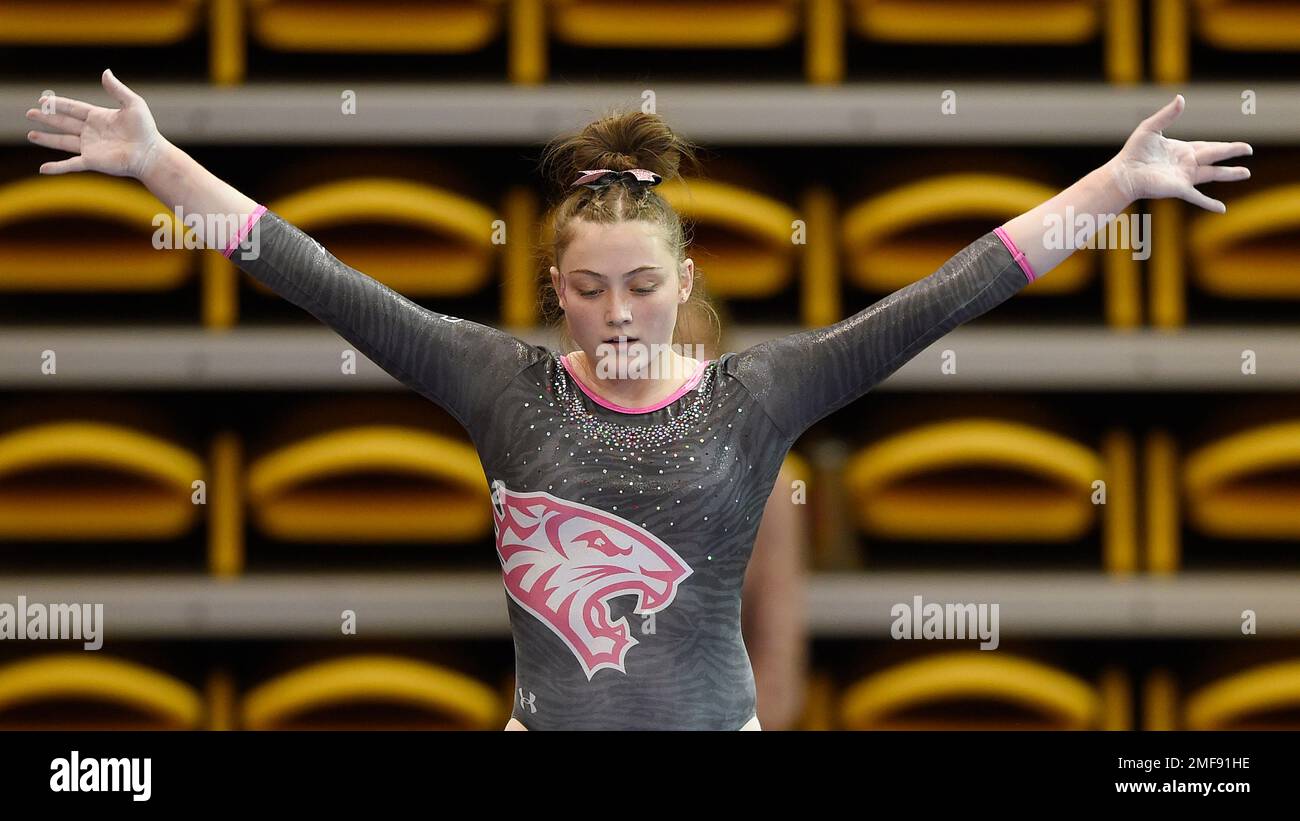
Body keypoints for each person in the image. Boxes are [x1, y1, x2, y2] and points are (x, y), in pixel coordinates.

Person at [25, 71, 1252, 730]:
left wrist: (1115, 182)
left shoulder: (759, 393)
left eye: (643, 288)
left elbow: (953, 287)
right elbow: (311, 270)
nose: (618, 314)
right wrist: (153, 161)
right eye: (591, 290)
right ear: (556, 290)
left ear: (685, 284)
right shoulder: (492, 378)